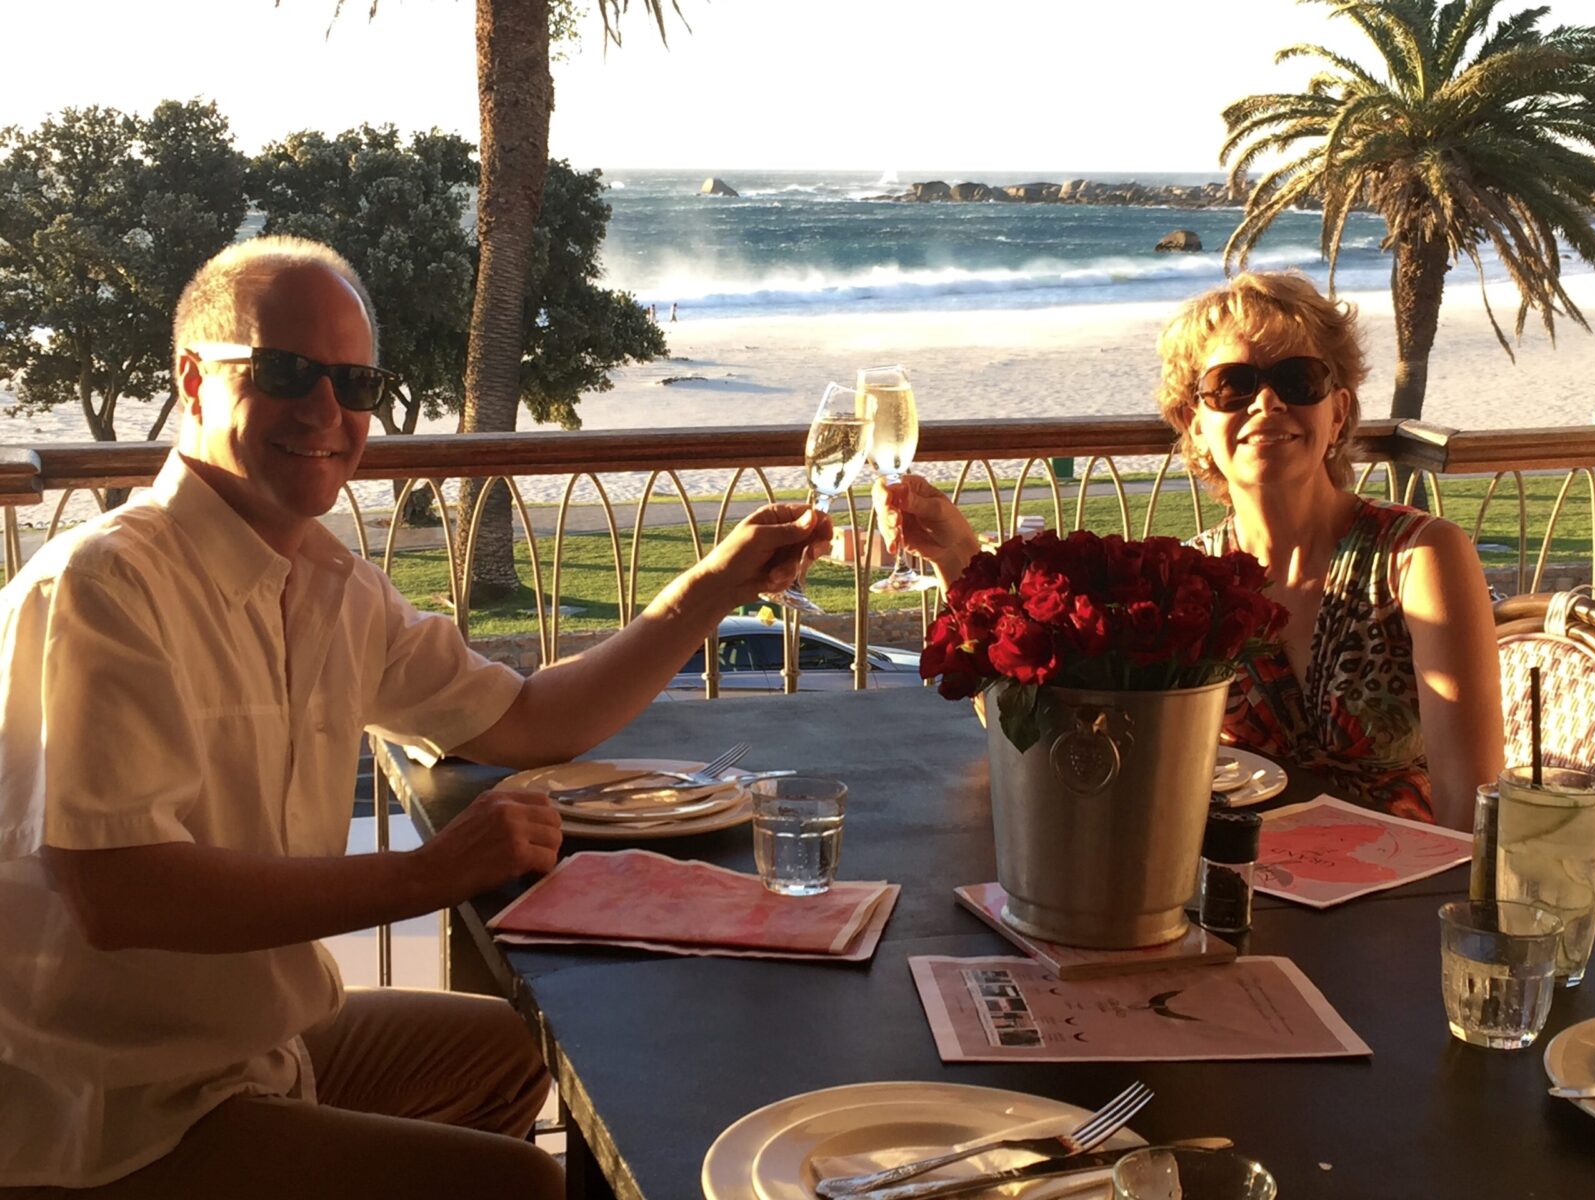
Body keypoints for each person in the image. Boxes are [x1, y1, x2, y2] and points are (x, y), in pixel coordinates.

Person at [0, 236, 830, 1198]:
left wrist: (712, 584)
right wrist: (429, 874)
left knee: (525, 1046)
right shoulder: (105, 586)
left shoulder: (331, 587)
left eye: (356, 385)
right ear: (194, 380)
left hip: (265, 1043)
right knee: (516, 1185)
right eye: (285, 372)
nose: (327, 410)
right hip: (109, 1110)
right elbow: (123, 893)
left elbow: (525, 720)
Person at [876, 271, 1502, 830]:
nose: (1268, 402)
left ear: (1337, 414)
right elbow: (1055, 732)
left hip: (1394, 900)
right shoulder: (1187, 587)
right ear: (1193, 420)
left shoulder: (1418, 558)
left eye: (1299, 379)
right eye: (1233, 386)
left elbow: (1470, 808)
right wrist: (957, 558)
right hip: (1235, 892)